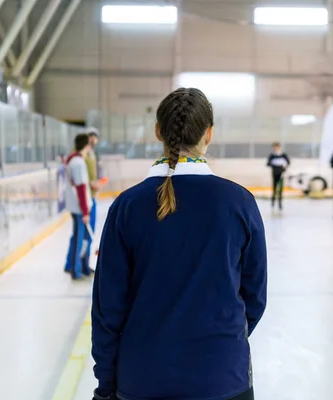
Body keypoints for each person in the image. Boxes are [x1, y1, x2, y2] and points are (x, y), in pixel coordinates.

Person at [91, 88, 267, 400]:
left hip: (143, 378)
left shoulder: (127, 207)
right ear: (209, 134)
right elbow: (254, 297)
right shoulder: (239, 202)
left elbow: (108, 310)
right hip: (222, 376)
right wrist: (220, 340)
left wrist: (106, 388)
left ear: (158, 130)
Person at [63, 133, 92, 280]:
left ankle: (80, 268)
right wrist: (86, 211)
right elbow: (81, 188)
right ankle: (76, 270)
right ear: (87, 145)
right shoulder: (78, 163)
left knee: (79, 238)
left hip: (77, 207)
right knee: (79, 239)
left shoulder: (73, 161)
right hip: (80, 208)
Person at [85, 128, 100, 270]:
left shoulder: (91, 154)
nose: (94, 139)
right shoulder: (84, 155)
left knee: (88, 234)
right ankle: (78, 265)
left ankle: (84, 264)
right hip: (86, 199)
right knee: (83, 235)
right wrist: (91, 183)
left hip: (91, 196)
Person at [266, 142, 290, 210]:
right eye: (274, 147)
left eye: (276, 147)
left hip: (281, 174)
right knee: (274, 188)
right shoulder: (272, 155)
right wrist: (273, 164)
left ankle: (280, 203)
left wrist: (284, 168)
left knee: (280, 188)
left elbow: (288, 162)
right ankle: (273, 202)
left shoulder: (283, 155)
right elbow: (268, 163)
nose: (275, 148)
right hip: (274, 173)